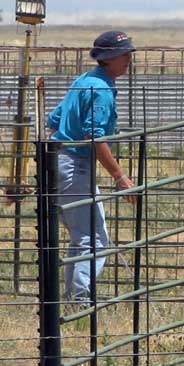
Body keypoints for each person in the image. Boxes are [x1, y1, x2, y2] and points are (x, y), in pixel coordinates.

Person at [47, 31, 136, 306]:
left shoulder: (85, 81)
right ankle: (80, 301)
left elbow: (54, 119)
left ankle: (76, 297)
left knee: (86, 235)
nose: (129, 60)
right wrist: (121, 177)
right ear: (109, 58)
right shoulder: (101, 91)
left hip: (63, 161)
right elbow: (95, 137)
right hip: (75, 165)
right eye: (124, 54)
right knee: (92, 238)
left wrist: (58, 150)